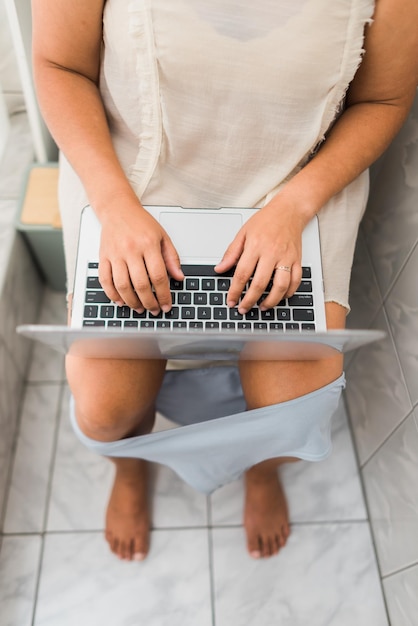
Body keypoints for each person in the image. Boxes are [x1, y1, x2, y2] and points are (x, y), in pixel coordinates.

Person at [32, 0, 418, 562]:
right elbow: (57, 64)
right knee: (105, 402)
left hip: (299, 183)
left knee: (294, 404)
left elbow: (383, 97)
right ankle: (131, 465)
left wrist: (294, 207)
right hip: (131, 177)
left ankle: (260, 472)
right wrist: (114, 205)